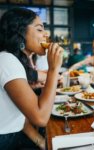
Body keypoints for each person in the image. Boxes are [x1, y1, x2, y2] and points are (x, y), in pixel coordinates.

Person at [0, 8, 63, 150]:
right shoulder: (7, 60)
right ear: (20, 31)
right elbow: (40, 118)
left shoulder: (15, 60)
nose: (46, 34)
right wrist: (54, 69)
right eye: (40, 29)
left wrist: (40, 141)